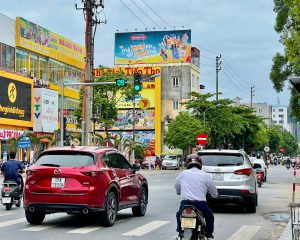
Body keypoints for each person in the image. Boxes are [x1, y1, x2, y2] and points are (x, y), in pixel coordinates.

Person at [175, 154, 218, 239]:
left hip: (185, 204)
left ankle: (180, 233)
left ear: (187, 163)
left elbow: (177, 186)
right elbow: (213, 190)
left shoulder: (183, 174)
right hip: (201, 205)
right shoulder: (205, 175)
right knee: (210, 217)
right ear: (200, 164)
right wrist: (215, 195)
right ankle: (209, 235)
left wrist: (179, 192)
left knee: (179, 215)